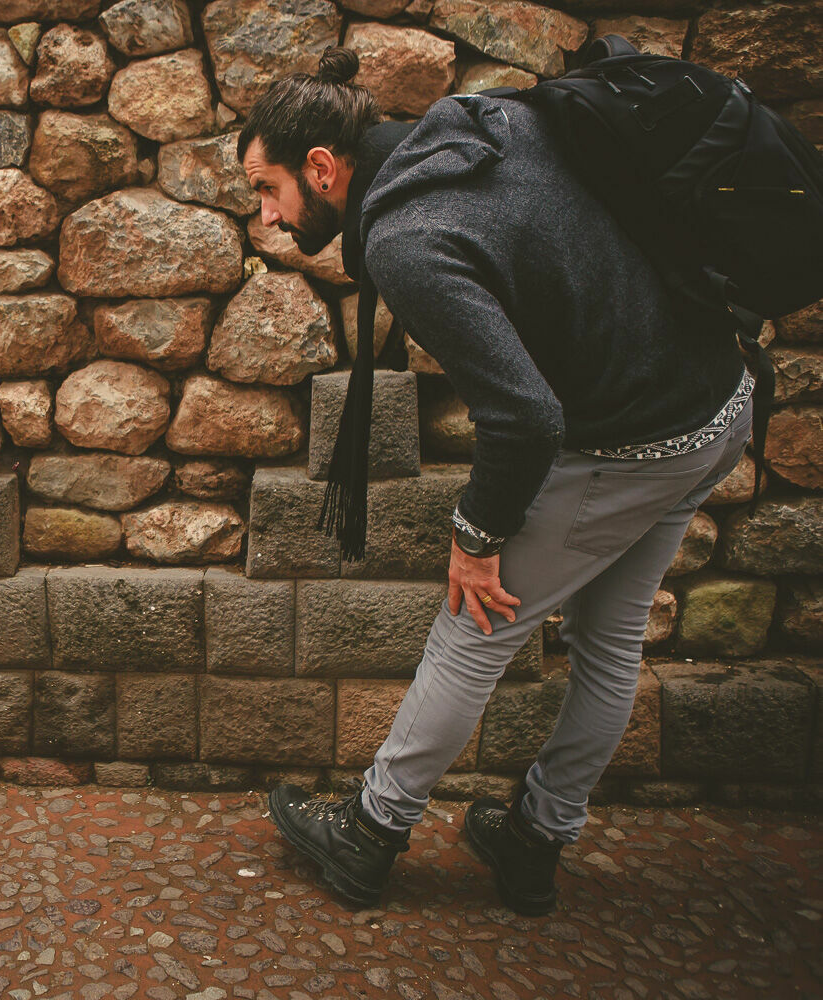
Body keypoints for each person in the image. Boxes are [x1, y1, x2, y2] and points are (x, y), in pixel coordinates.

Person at [240, 48, 754, 915]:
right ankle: (535, 838)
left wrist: (477, 539)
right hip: (716, 405)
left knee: (471, 631)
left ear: (322, 168)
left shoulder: (406, 235)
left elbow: (524, 418)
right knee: (612, 641)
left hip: (633, 442)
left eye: (267, 189)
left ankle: (369, 832)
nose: (267, 215)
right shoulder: (478, 123)